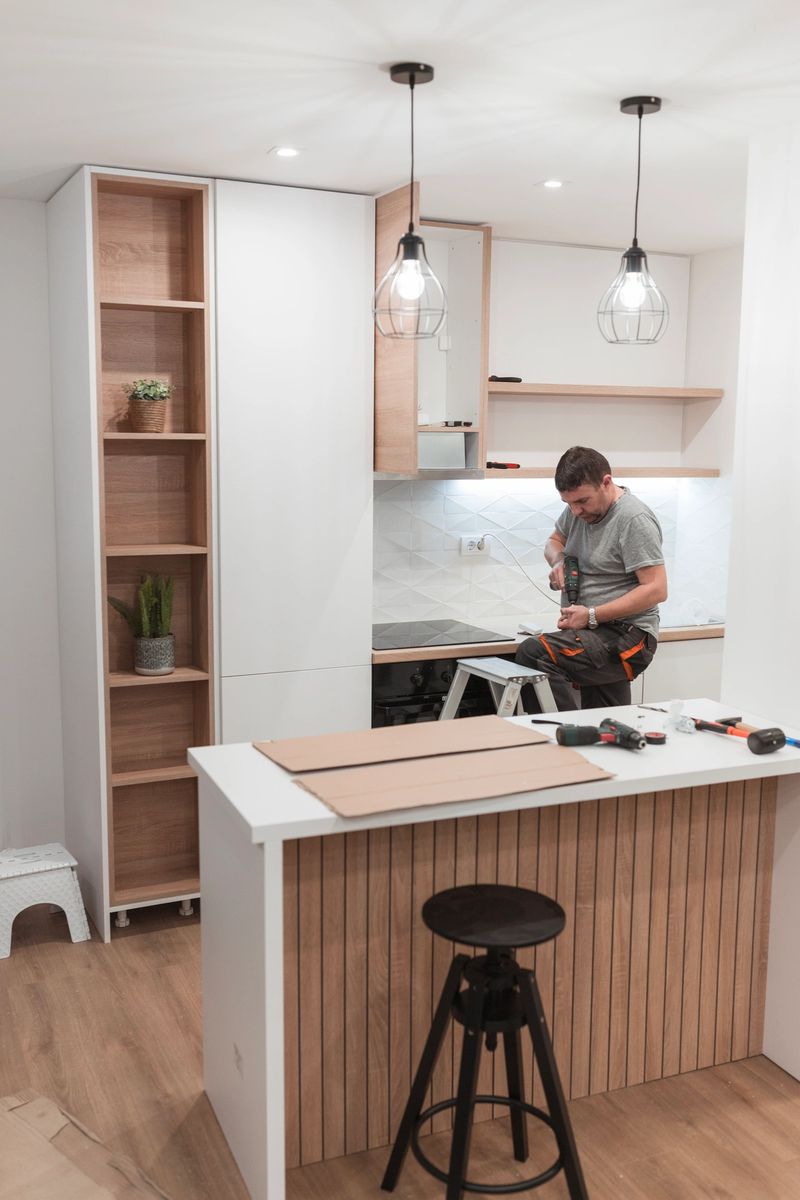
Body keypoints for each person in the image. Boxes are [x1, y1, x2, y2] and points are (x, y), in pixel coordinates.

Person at [516, 446, 667, 711]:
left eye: (582, 501)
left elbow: (656, 589)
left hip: (628, 635)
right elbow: (553, 541)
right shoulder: (580, 510)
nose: (575, 511)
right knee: (607, 721)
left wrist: (592, 615)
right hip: (592, 632)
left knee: (534, 653)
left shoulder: (633, 519)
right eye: (568, 503)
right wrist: (559, 560)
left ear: (606, 482)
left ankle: (561, 735)